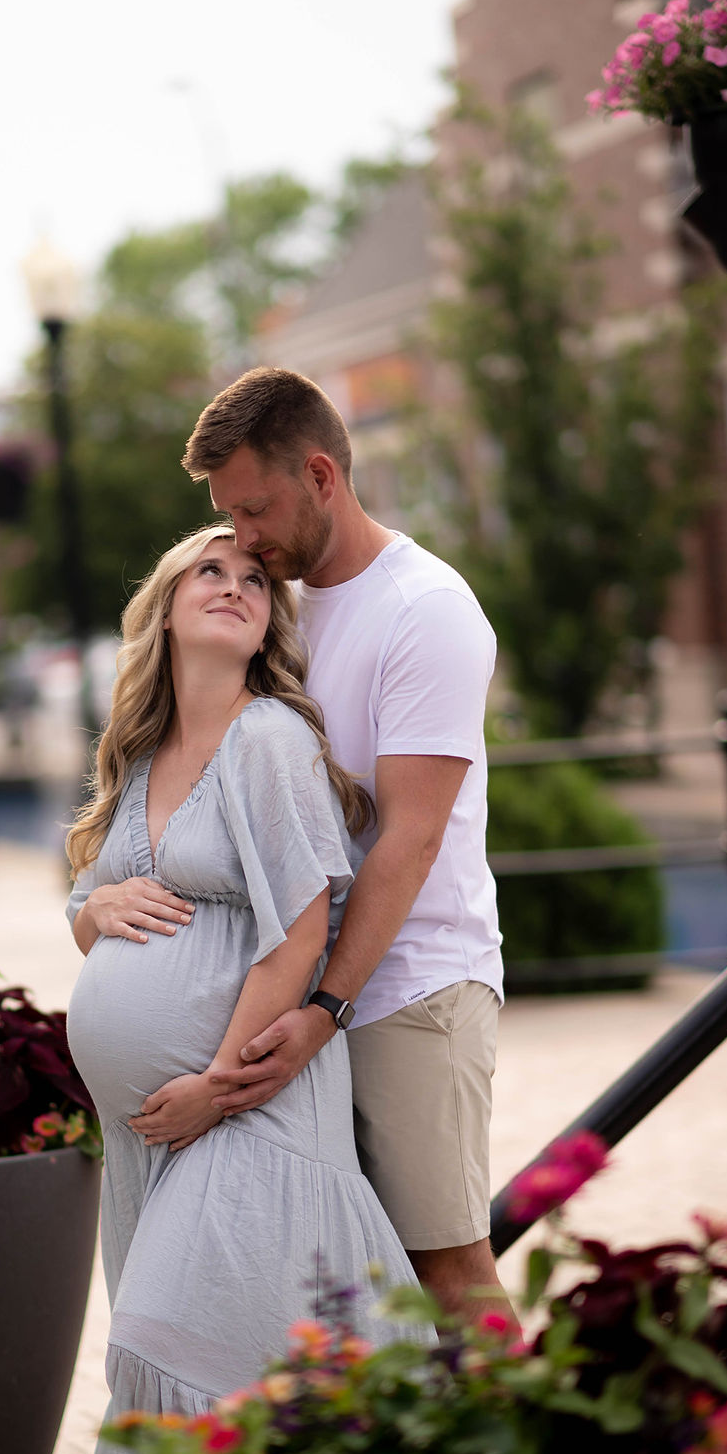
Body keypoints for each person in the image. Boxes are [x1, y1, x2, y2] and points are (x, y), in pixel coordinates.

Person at [64, 524, 427, 1454]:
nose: (234, 587)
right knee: (231, 1377)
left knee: (165, 1346)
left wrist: (212, 1090)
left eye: (256, 581)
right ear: (167, 609)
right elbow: (84, 916)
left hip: (247, 1110)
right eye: (209, 572)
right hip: (153, 1135)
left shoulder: (266, 738)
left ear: (269, 626)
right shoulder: (140, 760)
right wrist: (99, 902)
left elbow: (300, 936)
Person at [166, 367, 509, 1326]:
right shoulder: (277, 600)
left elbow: (408, 837)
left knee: (447, 1278)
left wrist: (323, 1007)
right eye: (228, 517)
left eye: (255, 509)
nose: (241, 539)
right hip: (311, 998)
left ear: (321, 474)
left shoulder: (426, 610)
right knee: (349, 1294)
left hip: (407, 991)